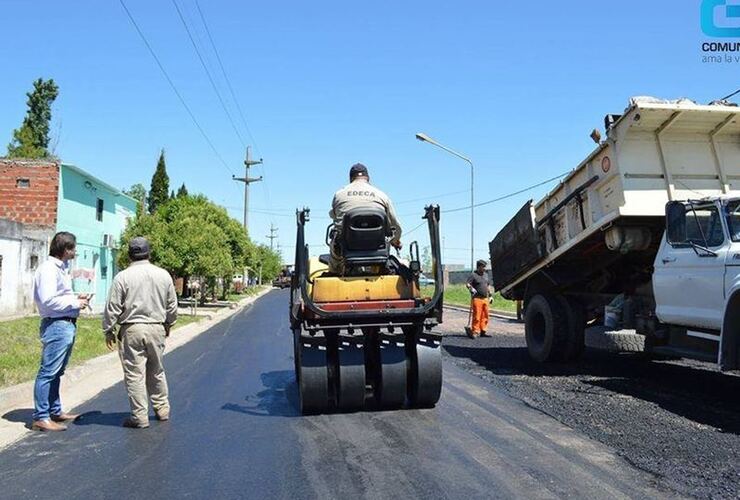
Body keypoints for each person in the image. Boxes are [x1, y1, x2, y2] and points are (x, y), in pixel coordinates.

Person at [103, 237, 177, 429]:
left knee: (134, 373)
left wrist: (109, 329)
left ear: (129, 254)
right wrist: (169, 323)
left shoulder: (122, 277)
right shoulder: (163, 275)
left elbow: (113, 306)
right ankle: (162, 409)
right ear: (149, 253)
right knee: (157, 370)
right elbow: (172, 305)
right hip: (157, 327)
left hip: (132, 329)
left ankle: (139, 416)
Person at [31, 231, 90, 432]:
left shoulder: (61, 268)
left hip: (65, 323)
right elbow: (48, 299)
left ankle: (54, 410)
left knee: (57, 371)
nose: (75, 251)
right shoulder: (49, 269)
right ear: (65, 250)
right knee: (48, 372)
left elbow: (59, 295)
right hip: (56, 324)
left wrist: (75, 298)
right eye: (73, 248)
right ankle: (41, 416)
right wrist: (75, 302)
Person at [328, 163, 402, 272]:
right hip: (377, 247)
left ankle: (335, 272)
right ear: (368, 178)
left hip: (346, 248)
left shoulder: (339, 195)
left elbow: (334, 216)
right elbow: (395, 225)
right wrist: (395, 241)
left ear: (351, 178)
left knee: (334, 250)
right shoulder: (381, 195)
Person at [466, 259, 492, 338]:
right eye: (483, 267)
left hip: (485, 298)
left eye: (485, 267)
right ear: (479, 267)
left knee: (485, 315)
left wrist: (490, 295)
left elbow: (488, 285)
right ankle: (475, 331)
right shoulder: (473, 275)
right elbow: (467, 284)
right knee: (477, 316)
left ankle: (483, 330)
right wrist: (471, 288)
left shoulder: (486, 275)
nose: (484, 268)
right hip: (477, 298)